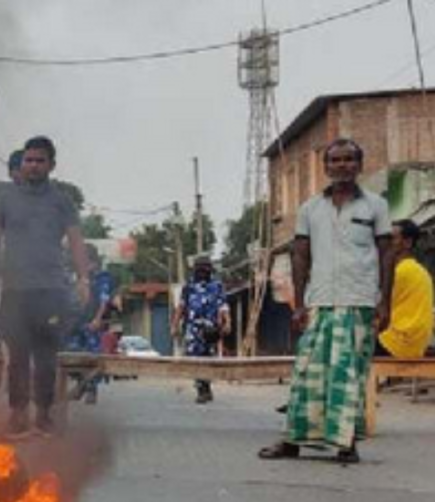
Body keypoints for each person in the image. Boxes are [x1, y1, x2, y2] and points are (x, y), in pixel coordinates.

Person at [259, 138, 393, 465]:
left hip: (359, 301)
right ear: (326, 167)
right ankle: (293, 441)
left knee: (348, 374)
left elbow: (387, 253)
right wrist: (300, 301)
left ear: (359, 165)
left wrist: (384, 301)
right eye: (335, 160)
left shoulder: (375, 206)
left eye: (349, 160)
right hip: (319, 301)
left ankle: (345, 444)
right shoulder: (310, 208)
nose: (342, 165)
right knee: (307, 373)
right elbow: (300, 254)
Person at [0, 136, 91, 438]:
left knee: (46, 357)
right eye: (28, 160)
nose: (33, 166)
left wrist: (84, 278)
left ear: (51, 165)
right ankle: (18, 415)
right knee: (17, 357)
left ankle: (43, 416)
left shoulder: (62, 202)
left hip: (50, 290)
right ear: (22, 164)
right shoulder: (5, 201)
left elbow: (75, 241)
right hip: (14, 290)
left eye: (39, 160)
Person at [172, 256, 230, 404]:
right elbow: (181, 306)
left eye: (206, 267)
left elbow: (223, 306)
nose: (203, 271)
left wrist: (227, 322)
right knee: (195, 359)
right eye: (200, 268)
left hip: (211, 328)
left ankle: (206, 387)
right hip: (193, 328)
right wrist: (175, 324)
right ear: (195, 270)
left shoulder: (217, 286)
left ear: (210, 269)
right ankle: (201, 390)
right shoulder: (188, 287)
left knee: (208, 358)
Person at [376, 219, 433, 359]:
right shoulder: (420, 270)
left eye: (392, 239)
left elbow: (377, 311)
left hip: (398, 342)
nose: (385, 244)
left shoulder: (401, 272)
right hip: (417, 344)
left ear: (407, 242)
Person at [68, 248, 117, 405]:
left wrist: (97, 319)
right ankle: (81, 384)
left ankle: (90, 390)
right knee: (71, 354)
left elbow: (104, 300)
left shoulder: (103, 278)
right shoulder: (78, 278)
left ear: (93, 262)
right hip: (77, 322)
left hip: (92, 322)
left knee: (92, 356)